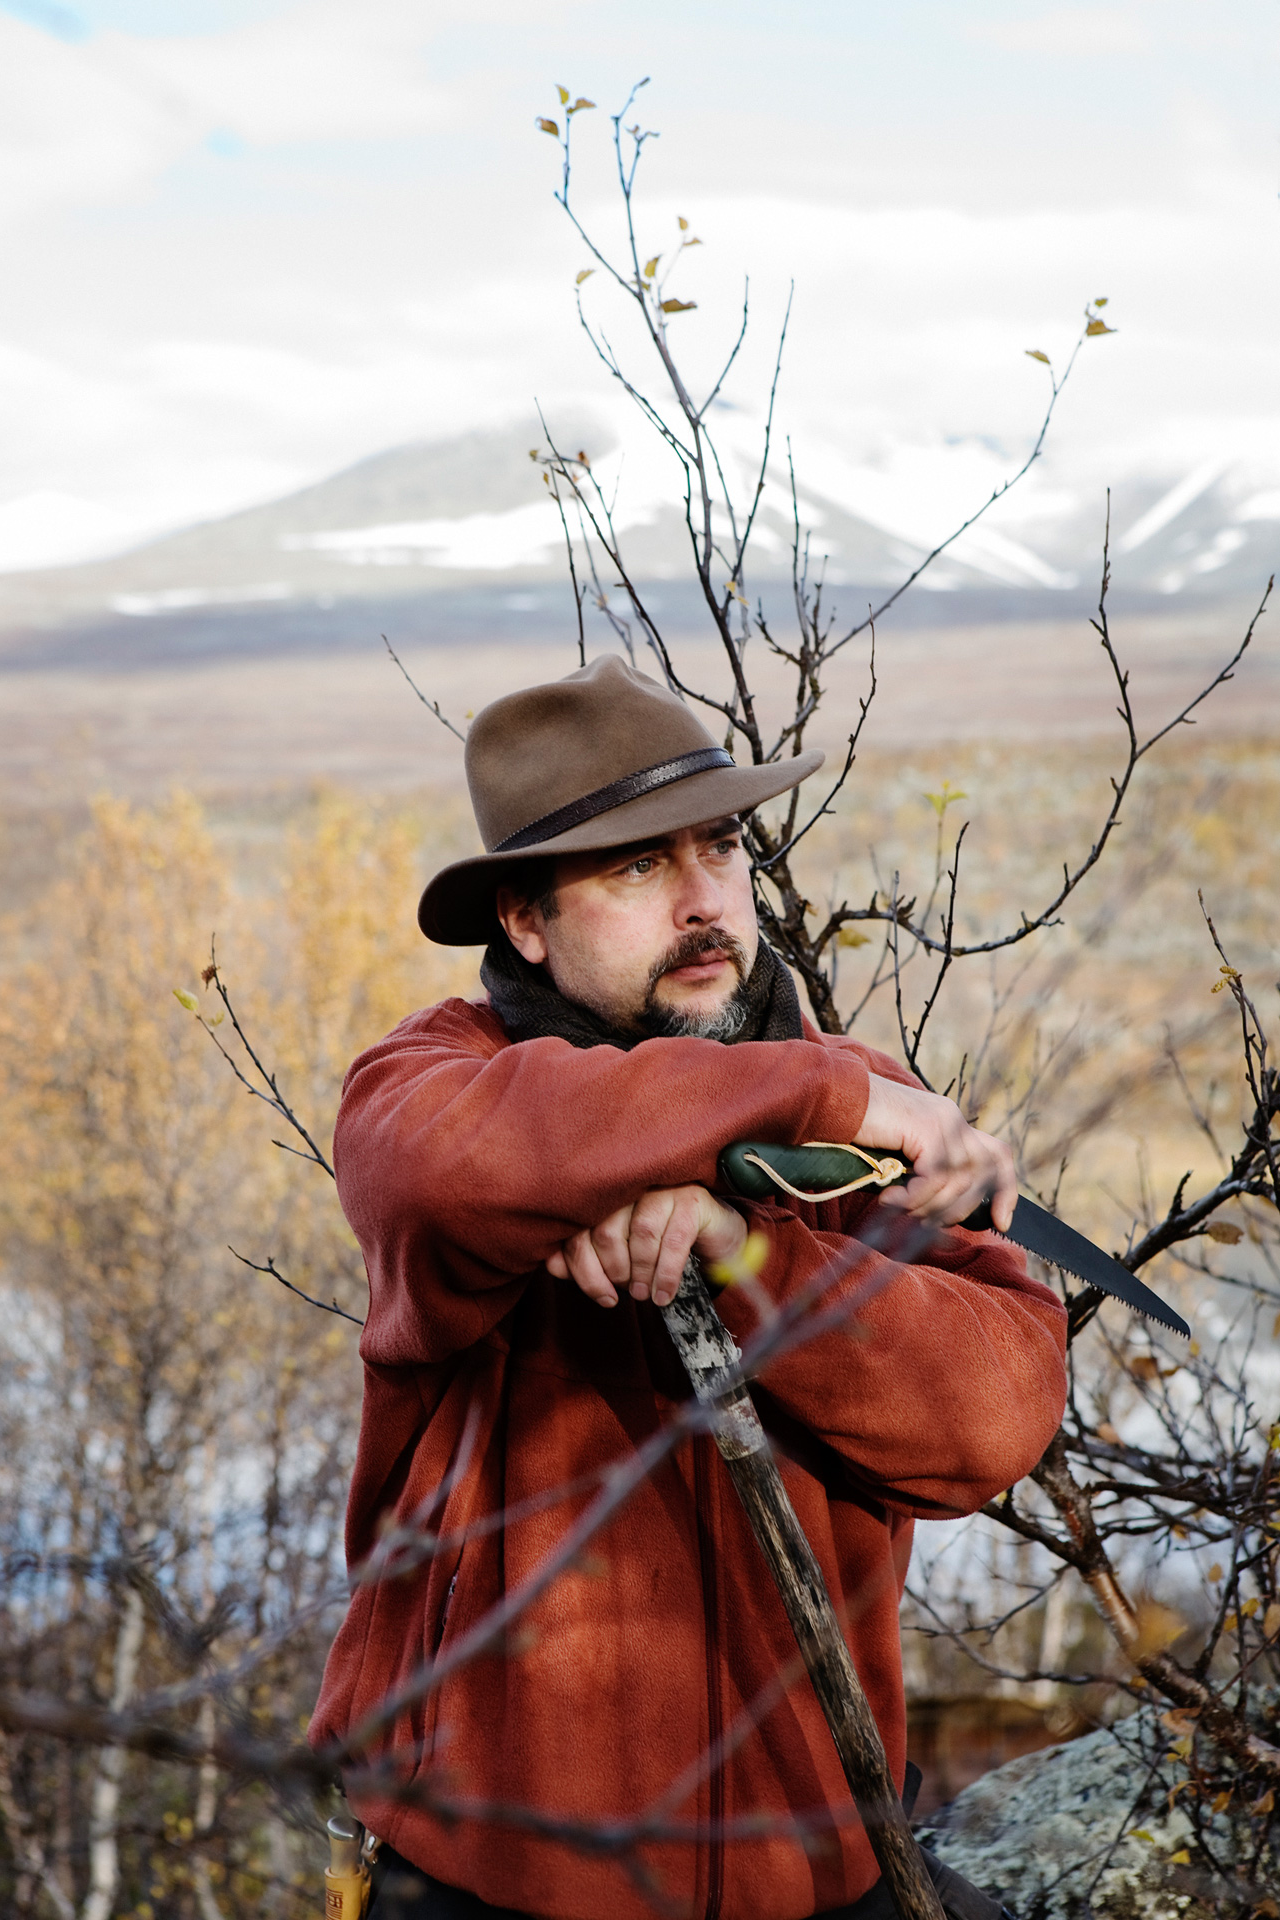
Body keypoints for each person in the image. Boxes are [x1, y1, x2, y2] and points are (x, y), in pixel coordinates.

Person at [309, 655, 1068, 1920]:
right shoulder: (436, 1083)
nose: (702, 900)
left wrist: (741, 1244)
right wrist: (810, 1100)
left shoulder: (860, 1121)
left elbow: (992, 1419)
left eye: (717, 848)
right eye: (635, 868)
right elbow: (450, 1169)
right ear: (525, 922)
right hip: (494, 1884)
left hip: (820, 1874)